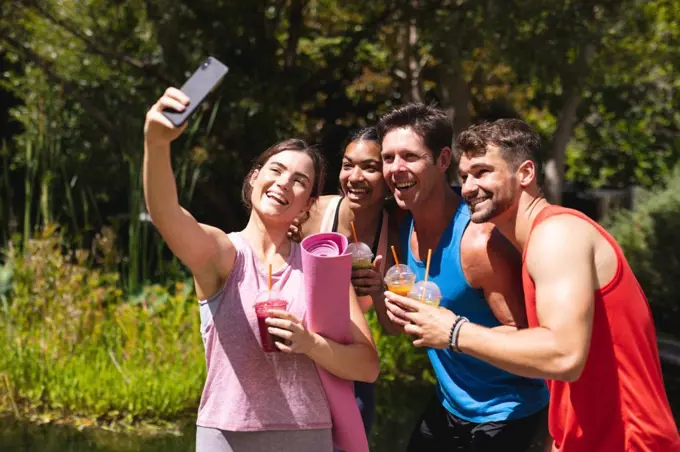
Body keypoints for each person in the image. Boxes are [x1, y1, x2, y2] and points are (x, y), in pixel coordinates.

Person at [387, 117, 680, 451]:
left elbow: (564, 356)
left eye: (482, 172)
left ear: (525, 173)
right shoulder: (531, 248)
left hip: (632, 443)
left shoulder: (556, 235)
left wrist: (454, 332)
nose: (467, 187)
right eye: (464, 176)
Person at [143, 87, 380, 452]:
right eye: (276, 170)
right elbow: (166, 214)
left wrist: (310, 343)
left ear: (306, 205)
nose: (284, 182)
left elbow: (367, 366)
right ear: (254, 178)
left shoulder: (321, 269)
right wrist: (156, 144)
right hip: (227, 437)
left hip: (307, 436)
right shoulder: (224, 254)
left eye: (300, 181)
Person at [376, 103, 550, 452]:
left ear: (443, 161)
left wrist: (451, 330)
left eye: (409, 156)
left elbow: (527, 336)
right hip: (449, 405)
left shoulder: (479, 243)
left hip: (506, 412)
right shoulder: (403, 224)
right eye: (388, 157)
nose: (395, 168)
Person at [297, 126, 401, 439]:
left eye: (369, 168)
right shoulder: (312, 212)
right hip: (298, 358)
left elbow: (393, 328)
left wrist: (379, 290)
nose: (354, 177)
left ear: (388, 176)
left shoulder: (394, 236)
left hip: (349, 366)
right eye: (347, 165)